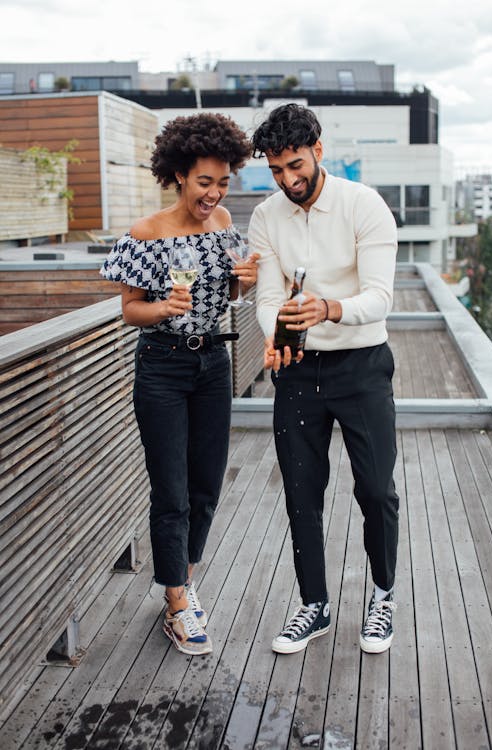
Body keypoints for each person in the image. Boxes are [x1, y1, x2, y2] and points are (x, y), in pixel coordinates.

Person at [101, 113, 258, 655]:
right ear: (178, 177)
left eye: (222, 182)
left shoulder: (223, 228)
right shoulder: (145, 233)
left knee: (206, 485)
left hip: (214, 364)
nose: (214, 194)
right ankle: (176, 603)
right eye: (203, 182)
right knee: (170, 489)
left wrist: (243, 286)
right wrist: (161, 306)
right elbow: (128, 311)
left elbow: (232, 300)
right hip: (163, 365)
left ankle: (182, 583)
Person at [249, 103, 399, 655]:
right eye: (276, 171)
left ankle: (383, 596)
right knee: (300, 493)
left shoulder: (366, 206)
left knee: (377, 490)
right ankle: (314, 605)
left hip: (361, 365)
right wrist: (279, 334)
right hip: (298, 369)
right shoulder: (266, 217)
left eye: (295, 165)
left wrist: (328, 309)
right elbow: (268, 297)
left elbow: (381, 297)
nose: (289, 180)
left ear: (317, 148)